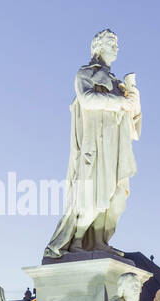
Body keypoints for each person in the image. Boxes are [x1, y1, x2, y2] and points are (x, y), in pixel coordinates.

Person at [45, 30, 141, 258]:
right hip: (97, 146)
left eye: (117, 43)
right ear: (98, 47)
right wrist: (120, 102)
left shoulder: (118, 84)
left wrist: (132, 96)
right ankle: (77, 241)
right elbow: (87, 100)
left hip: (117, 146)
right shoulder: (85, 74)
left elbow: (134, 119)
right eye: (111, 43)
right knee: (94, 197)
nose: (116, 47)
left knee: (118, 198)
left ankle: (100, 241)